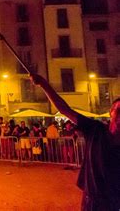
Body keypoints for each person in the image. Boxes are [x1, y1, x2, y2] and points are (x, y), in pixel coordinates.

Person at [31, 73, 120, 210]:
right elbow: (64, 109)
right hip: (92, 199)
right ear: (111, 112)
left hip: (114, 201)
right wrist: (43, 84)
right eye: (118, 110)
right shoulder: (96, 129)